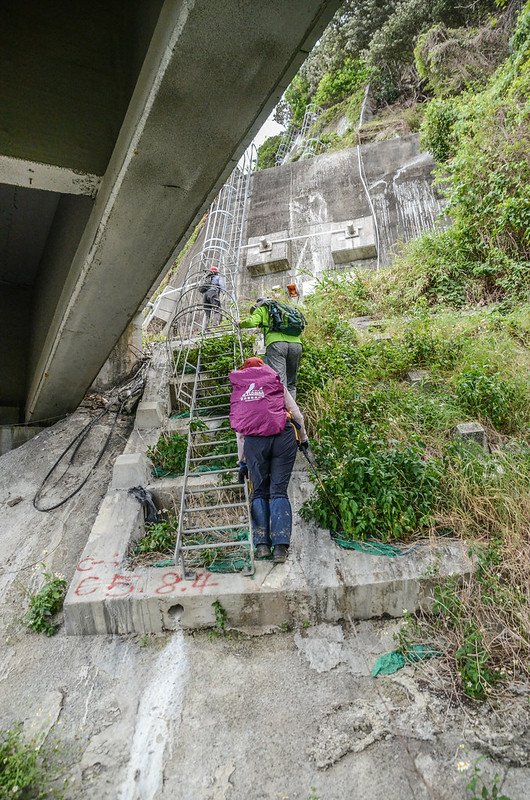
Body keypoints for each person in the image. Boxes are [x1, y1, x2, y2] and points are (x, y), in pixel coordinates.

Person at [229, 357, 309, 564]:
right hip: (282, 438)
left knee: (260, 492)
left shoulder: (240, 389)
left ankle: (262, 545)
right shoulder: (274, 381)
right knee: (279, 491)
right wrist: (304, 440)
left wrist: (242, 462)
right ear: (263, 367)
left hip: (255, 443)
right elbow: (297, 414)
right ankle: (281, 548)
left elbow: (240, 432)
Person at [239, 296, 303, 398]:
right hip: (296, 344)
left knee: (280, 381)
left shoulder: (262, 308)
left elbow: (251, 322)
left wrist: (240, 324)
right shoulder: (284, 308)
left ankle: (283, 412)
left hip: (276, 344)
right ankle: (293, 411)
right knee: (291, 382)